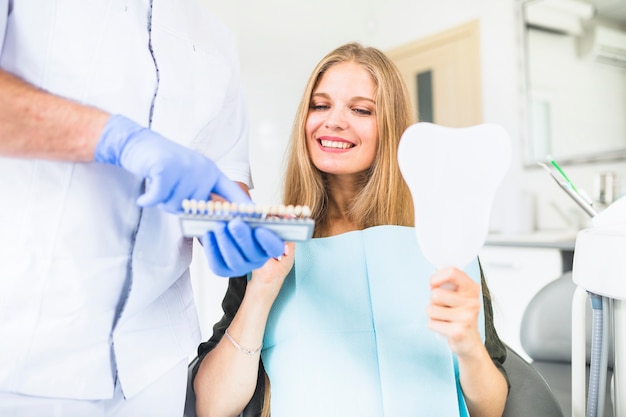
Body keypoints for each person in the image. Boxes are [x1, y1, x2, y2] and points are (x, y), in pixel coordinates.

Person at [192, 42, 510, 417]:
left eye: (360, 109)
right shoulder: (273, 245)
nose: (334, 121)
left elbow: (492, 409)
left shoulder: (443, 242)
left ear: (389, 126)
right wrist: (261, 291)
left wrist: (468, 345)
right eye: (320, 105)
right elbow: (213, 407)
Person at [0, 1, 284, 416]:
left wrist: (232, 226)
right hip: (26, 345)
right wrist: (114, 139)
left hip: (156, 364)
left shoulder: (215, 39)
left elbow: (225, 180)